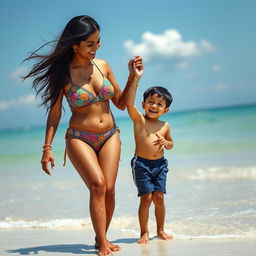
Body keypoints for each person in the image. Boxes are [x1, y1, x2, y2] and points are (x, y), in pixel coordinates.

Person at [23, 15, 143, 256]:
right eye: (90, 44)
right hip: (79, 137)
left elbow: (120, 103)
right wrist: (47, 148)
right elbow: (55, 114)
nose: (96, 48)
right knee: (97, 185)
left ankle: (102, 240)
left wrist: (133, 77)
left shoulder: (104, 66)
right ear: (75, 44)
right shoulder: (63, 75)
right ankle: (103, 243)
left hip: (110, 134)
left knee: (109, 190)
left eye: (98, 42)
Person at [126, 64, 173, 244]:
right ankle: (144, 232)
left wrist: (166, 142)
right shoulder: (139, 120)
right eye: (151, 102)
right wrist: (136, 79)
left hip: (160, 164)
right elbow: (128, 103)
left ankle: (160, 230)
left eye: (159, 104)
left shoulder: (165, 125)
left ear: (165, 109)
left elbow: (171, 144)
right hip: (141, 164)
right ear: (144, 104)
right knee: (146, 198)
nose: (154, 106)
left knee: (159, 197)